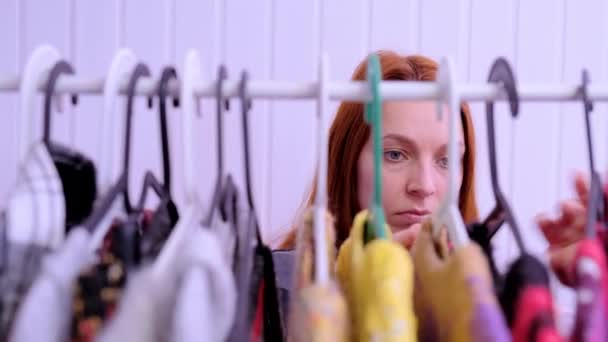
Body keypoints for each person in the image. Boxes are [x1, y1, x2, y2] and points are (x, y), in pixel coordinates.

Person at [279, 50, 477, 250]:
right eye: (395, 155)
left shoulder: (486, 278)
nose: (424, 186)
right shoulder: (280, 278)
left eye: (446, 160)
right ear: (347, 160)